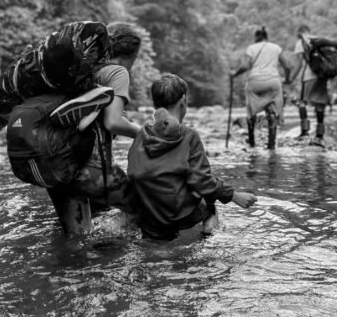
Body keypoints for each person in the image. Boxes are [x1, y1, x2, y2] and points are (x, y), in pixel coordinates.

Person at [128, 74, 258, 240]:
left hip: (149, 219)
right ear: (183, 101)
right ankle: (208, 230)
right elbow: (202, 180)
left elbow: (132, 171)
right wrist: (234, 196)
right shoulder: (189, 136)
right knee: (210, 198)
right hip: (181, 217)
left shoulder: (141, 134)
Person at [46, 22, 143, 227]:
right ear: (131, 55)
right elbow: (114, 122)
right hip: (89, 168)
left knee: (76, 241)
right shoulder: (117, 72)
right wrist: (148, 133)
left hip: (57, 166)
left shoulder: (80, 70)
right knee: (144, 212)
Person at [230, 27, 291, 150]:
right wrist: (288, 79)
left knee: (251, 110)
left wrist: (234, 75)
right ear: (266, 37)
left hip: (255, 81)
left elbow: (246, 66)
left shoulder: (252, 48)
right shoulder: (276, 48)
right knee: (272, 109)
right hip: (273, 81)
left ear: (256, 37)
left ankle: (252, 141)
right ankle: (271, 144)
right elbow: (288, 65)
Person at [291, 24, 337, 147]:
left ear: (299, 33)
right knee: (320, 104)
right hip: (322, 76)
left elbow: (298, 64)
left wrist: (290, 79)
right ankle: (320, 135)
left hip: (309, 76)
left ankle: (304, 132)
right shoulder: (320, 41)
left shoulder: (302, 42)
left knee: (302, 102)